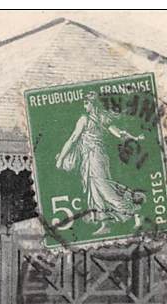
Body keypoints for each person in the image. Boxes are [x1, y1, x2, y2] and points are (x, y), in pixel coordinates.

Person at [56, 91, 146, 234]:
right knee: (94, 190)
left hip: (95, 157)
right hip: (95, 157)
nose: (85, 105)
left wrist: (61, 158)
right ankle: (105, 224)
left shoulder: (84, 119)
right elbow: (119, 133)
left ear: (93, 104)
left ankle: (135, 212)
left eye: (87, 103)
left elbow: (73, 138)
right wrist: (134, 137)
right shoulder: (102, 118)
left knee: (104, 188)